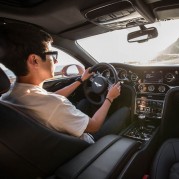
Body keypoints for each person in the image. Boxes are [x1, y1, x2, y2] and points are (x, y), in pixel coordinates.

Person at [0, 23, 129, 143]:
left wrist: (80, 80)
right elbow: (94, 126)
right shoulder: (54, 105)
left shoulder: (9, 97)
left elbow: (53, 96)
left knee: (84, 103)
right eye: (53, 55)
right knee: (125, 111)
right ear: (34, 60)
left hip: (57, 143)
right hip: (86, 146)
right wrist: (109, 97)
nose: (56, 62)